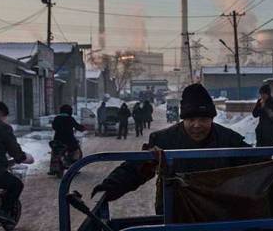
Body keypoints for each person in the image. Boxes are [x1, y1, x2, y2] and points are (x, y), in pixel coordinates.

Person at [93, 83, 251, 211]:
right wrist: (109, 187)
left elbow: (259, 165)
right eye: (191, 119)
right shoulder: (164, 141)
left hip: (218, 217)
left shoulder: (230, 140)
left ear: (212, 119)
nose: (197, 125)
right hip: (175, 219)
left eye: (203, 119)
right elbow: (135, 169)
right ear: (183, 119)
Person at [50, 104, 85, 174]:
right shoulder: (70, 119)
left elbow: (53, 127)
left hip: (57, 140)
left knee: (55, 152)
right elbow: (77, 127)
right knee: (76, 150)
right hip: (69, 140)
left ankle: (53, 168)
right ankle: (74, 167)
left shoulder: (57, 118)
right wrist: (83, 128)